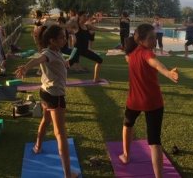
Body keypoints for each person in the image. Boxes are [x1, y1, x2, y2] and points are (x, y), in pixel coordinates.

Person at [15, 25, 78, 178]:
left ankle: (38, 147)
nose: (65, 39)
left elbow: (55, 63)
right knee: (60, 134)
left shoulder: (56, 52)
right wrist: (25, 67)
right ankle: (68, 175)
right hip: (55, 96)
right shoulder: (48, 53)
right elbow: (38, 59)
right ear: (52, 40)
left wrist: (65, 63)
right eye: (62, 37)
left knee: (45, 119)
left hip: (45, 92)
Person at [119, 24, 178, 178]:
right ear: (141, 41)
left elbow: (152, 63)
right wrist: (168, 73)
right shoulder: (146, 54)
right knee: (154, 141)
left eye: (154, 36)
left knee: (129, 125)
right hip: (152, 102)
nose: (154, 40)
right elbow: (155, 63)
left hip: (137, 101)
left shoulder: (131, 55)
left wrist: (166, 72)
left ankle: (126, 155)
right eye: (151, 38)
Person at [69, 11, 117, 82]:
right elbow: (65, 26)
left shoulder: (87, 26)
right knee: (67, 64)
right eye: (84, 16)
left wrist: (112, 30)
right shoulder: (76, 26)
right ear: (79, 17)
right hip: (77, 50)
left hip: (85, 50)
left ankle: (96, 78)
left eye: (86, 16)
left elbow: (100, 29)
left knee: (99, 60)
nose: (86, 18)